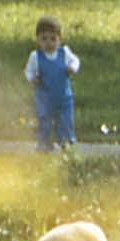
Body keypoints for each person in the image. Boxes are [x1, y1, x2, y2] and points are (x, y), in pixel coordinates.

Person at [25, 16, 81, 151]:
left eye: (53, 39)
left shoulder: (64, 53)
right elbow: (28, 71)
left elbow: (75, 61)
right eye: (44, 39)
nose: (49, 43)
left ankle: (66, 142)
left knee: (66, 121)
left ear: (59, 40)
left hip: (64, 98)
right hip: (44, 98)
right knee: (44, 121)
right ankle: (44, 143)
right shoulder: (36, 56)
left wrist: (72, 68)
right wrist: (32, 78)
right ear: (38, 40)